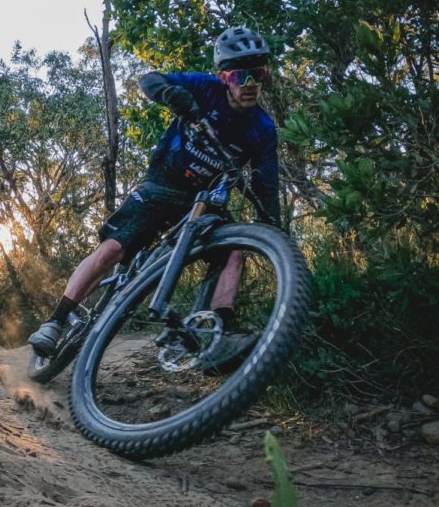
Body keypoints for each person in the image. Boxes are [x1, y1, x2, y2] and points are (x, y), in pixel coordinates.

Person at [28, 25, 281, 361]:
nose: (250, 85)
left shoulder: (262, 128)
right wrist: (170, 94)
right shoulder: (204, 89)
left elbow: (267, 183)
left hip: (204, 203)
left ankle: (217, 334)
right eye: (240, 76)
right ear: (223, 76)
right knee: (113, 250)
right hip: (163, 183)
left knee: (233, 251)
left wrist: (274, 225)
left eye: (258, 74)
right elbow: (149, 79)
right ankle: (56, 322)